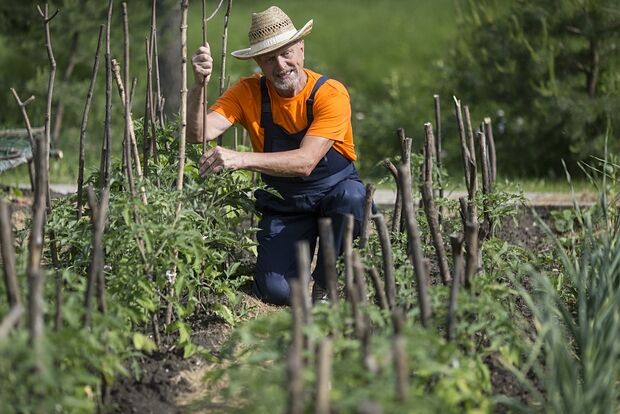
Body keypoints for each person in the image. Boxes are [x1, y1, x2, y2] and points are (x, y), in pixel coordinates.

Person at [187, 5, 369, 305]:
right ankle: (296, 277)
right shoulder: (247, 92)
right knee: (277, 292)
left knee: (351, 197)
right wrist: (198, 85)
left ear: (300, 48)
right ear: (258, 61)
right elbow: (197, 133)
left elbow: (305, 162)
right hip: (286, 204)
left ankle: (327, 283)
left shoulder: (329, 93)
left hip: (334, 193)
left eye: (286, 53)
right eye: (269, 59)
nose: (280, 65)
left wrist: (240, 158)